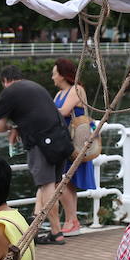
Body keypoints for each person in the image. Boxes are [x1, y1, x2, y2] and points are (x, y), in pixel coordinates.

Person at [0, 64, 74, 246]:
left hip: (42, 143)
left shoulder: (9, 92)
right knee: (49, 184)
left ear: (5, 81)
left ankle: (56, 232)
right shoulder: (35, 86)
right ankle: (33, 229)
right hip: (61, 138)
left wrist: (11, 128)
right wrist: (19, 126)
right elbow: (37, 113)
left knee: (46, 186)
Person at [52, 58, 95, 236]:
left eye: (54, 73)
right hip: (64, 139)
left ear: (62, 75)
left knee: (63, 181)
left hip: (75, 140)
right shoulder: (59, 94)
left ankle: (72, 220)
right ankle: (71, 220)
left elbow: (62, 112)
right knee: (67, 182)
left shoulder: (76, 89)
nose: (52, 77)